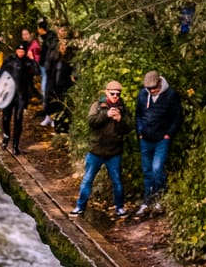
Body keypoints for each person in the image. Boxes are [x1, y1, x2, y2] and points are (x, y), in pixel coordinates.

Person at [71, 80, 127, 219]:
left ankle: (119, 208)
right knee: (88, 179)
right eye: (112, 93)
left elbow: (129, 128)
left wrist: (120, 119)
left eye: (118, 94)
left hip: (114, 151)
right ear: (106, 92)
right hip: (96, 151)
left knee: (117, 181)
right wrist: (106, 115)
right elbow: (91, 122)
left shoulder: (123, 107)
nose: (115, 96)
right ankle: (80, 206)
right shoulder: (97, 105)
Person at [135, 69, 183, 215]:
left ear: (160, 83)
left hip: (162, 139)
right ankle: (147, 201)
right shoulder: (143, 95)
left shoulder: (171, 95)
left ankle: (159, 199)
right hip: (146, 139)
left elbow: (178, 117)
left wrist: (169, 134)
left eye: (154, 88)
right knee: (147, 171)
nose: (152, 91)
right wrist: (140, 132)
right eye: (149, 89)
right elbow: (138, 114)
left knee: (157, 169)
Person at [0, 38, 37, 154]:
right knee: (6, 118)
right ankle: (6, 137)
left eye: (22, 51)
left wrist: (32, 59)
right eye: (19, 51)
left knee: (18, 119)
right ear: (16, 51)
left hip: (21, 95)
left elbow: (37, 71)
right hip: (8, 93)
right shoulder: (9, 60)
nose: (20, 53)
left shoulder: (27, 62)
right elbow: (1, 74)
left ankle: (15, 145)